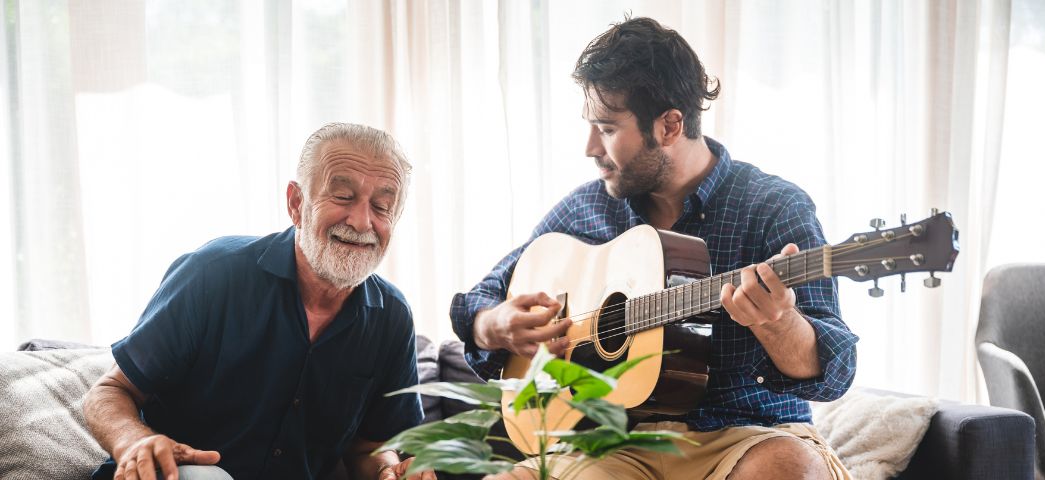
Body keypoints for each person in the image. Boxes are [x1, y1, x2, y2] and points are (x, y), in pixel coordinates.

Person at [450, 17, 858, 480]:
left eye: (605, 129)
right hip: (611, 448)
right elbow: (477, 303)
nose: (589, 148)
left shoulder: (773, 206)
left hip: (746, 437)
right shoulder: (584, 210)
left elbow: (836, 369)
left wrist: (780, 322)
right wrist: (495, 325)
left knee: (791, 469)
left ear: (669, 125)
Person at [84, 123, 434, 480]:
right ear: (296, 203)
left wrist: (390, 472)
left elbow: (366, 449)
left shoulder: (391, 317)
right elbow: (110, 391)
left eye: (382, 206)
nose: (362, 221)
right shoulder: (213, 274)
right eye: (343, 196)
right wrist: (134, 441)